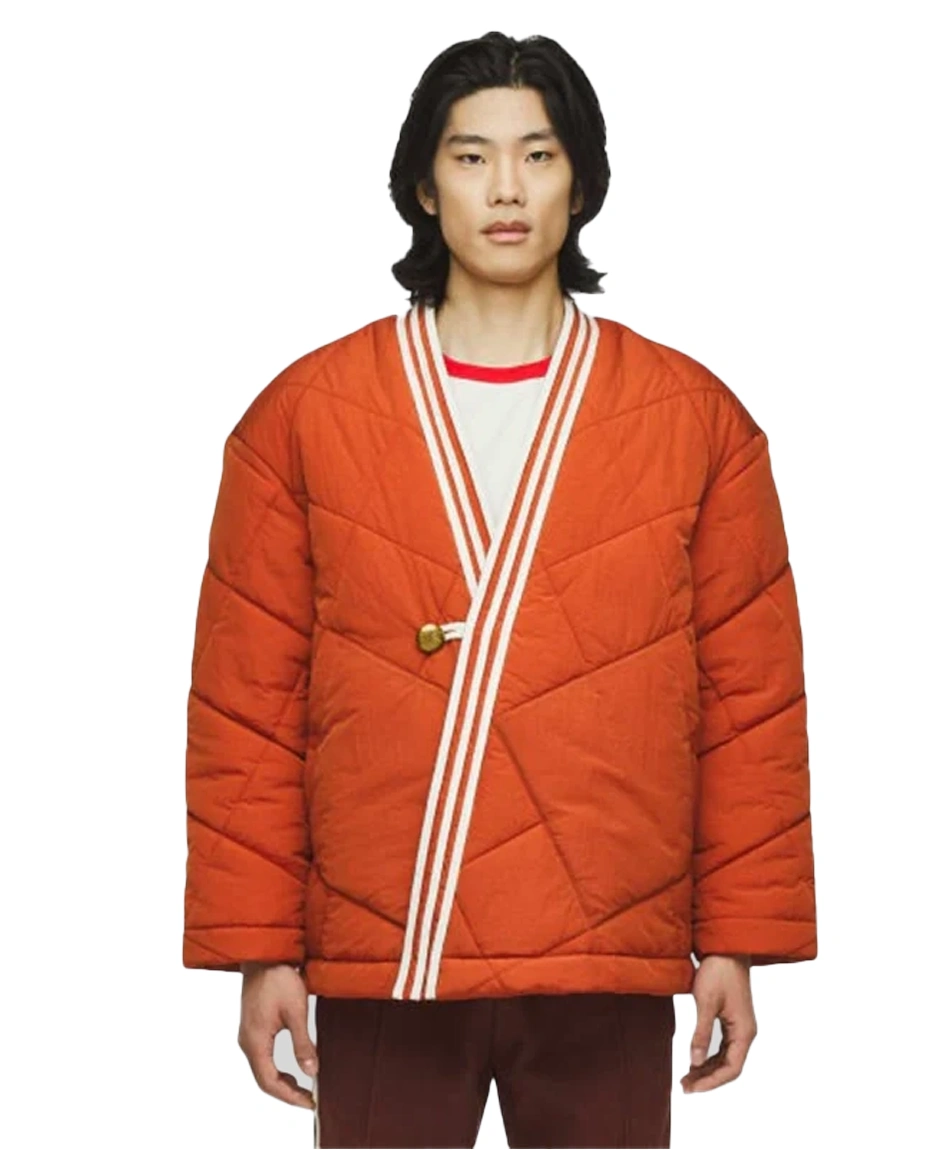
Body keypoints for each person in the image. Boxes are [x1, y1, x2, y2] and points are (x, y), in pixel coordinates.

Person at [182, 30, 817, 1149]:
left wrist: (734, 938)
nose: (508, 189)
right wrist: (261, 951)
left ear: (583, 181)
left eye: (539, 154)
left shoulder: (694, 420)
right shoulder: (304, 415)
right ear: (424, 187)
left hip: (608, 948)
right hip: (387, 949)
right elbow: (250, 707)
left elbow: (748, 704)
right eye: (471, 157)